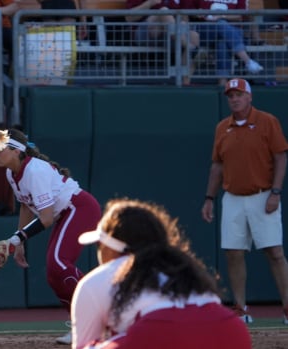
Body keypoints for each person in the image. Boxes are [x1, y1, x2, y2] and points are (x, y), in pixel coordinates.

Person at [72, 198, 252, 349]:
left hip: (160, 333)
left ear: (112, 247)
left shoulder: (97, 279)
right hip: (230, 331)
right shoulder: (185, 267)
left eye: (99, 245)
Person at [0, 127, 102, 345]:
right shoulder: (11, 173)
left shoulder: (34, 171)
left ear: (16, 151)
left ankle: (101, 310)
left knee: (57, 263)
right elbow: (26, 206)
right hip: (65, 213)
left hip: (79, 208)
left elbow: (45, 218)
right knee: (54, 275)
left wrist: (15, 240)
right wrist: (19, 242)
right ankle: (81, 326)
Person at [201, 78, 288, 324]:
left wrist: (276, 192)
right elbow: (217, 165)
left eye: (239, 94)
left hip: (263, 195)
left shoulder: (267, 121)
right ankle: (240, 307)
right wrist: (209, 197)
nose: (234, 99)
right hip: (233, 197)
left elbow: (281, 157)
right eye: (230, 96)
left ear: (250, 97)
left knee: (275, 252)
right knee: (233, 252)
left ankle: (287, 306)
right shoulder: (222, 127)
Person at [182, 0, 263, 85]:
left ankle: (222, 83)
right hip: (207, 29)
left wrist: (222, 16)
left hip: (233, 30)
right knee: (222, 26)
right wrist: (199, 13)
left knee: (222, 37)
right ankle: (247, 61)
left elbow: (239, 15)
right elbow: (188, 11)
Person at [125, 0, 200, 85]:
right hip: (145, 33)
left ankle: (186, 82)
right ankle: (190, 47)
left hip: (170, 33)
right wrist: (149, 3)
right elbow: (129, 18)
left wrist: (182, 21)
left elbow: (184, 17)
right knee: (163, 11)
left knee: (194, 36)